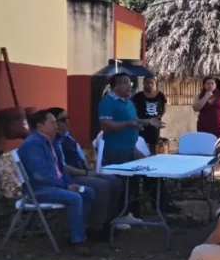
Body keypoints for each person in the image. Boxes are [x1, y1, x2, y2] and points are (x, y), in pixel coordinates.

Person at [18, 110, 95, 255]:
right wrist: (66, 186)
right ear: (40, 126)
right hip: (39, 190)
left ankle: (73, 231)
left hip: (55, 185)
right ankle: (78, 240)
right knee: (75, 197)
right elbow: (41, 176)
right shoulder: (33, 144)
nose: (56, 126)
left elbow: (61, 168)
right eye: (52, 123)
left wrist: (69, 183)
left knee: (87, 192)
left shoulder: (49, 140)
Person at [48, 108, 123, 238]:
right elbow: (62, 167)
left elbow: (80, 157)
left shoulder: (68, 137)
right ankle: (95, 227)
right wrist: (87, 173)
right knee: (102, 186)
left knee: (115, 181)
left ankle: (108, 220)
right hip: (70, 177)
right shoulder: (54, 141)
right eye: (63, 119)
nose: (67, 121)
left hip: (82, 171)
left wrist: (90, 168)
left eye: (68, 118)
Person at [98, 73, 156, 225]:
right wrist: (127, 125)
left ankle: (129, 213)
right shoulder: (108, 102)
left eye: (130, 83)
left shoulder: (127, 101)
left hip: (130, 147)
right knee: (121, 182)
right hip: (116, 150)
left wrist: (148, 122)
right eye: (125, 83)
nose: (130, 86)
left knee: (133, 182)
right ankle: (116, 216)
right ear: (116, 86)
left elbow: (133, 120)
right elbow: (105, 124)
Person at [133, 76, 167, 154]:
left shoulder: (160, 95)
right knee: (141, 143)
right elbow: (133, 109)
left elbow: (164, 109)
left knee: (153, 145)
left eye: (152, 83)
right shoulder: (138, 96)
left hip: (155, 125)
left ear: (155, 83)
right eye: (147, 82)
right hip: (142, 123)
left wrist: (159, 117)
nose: (149, 85)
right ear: (143, 83)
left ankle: (153, 158)